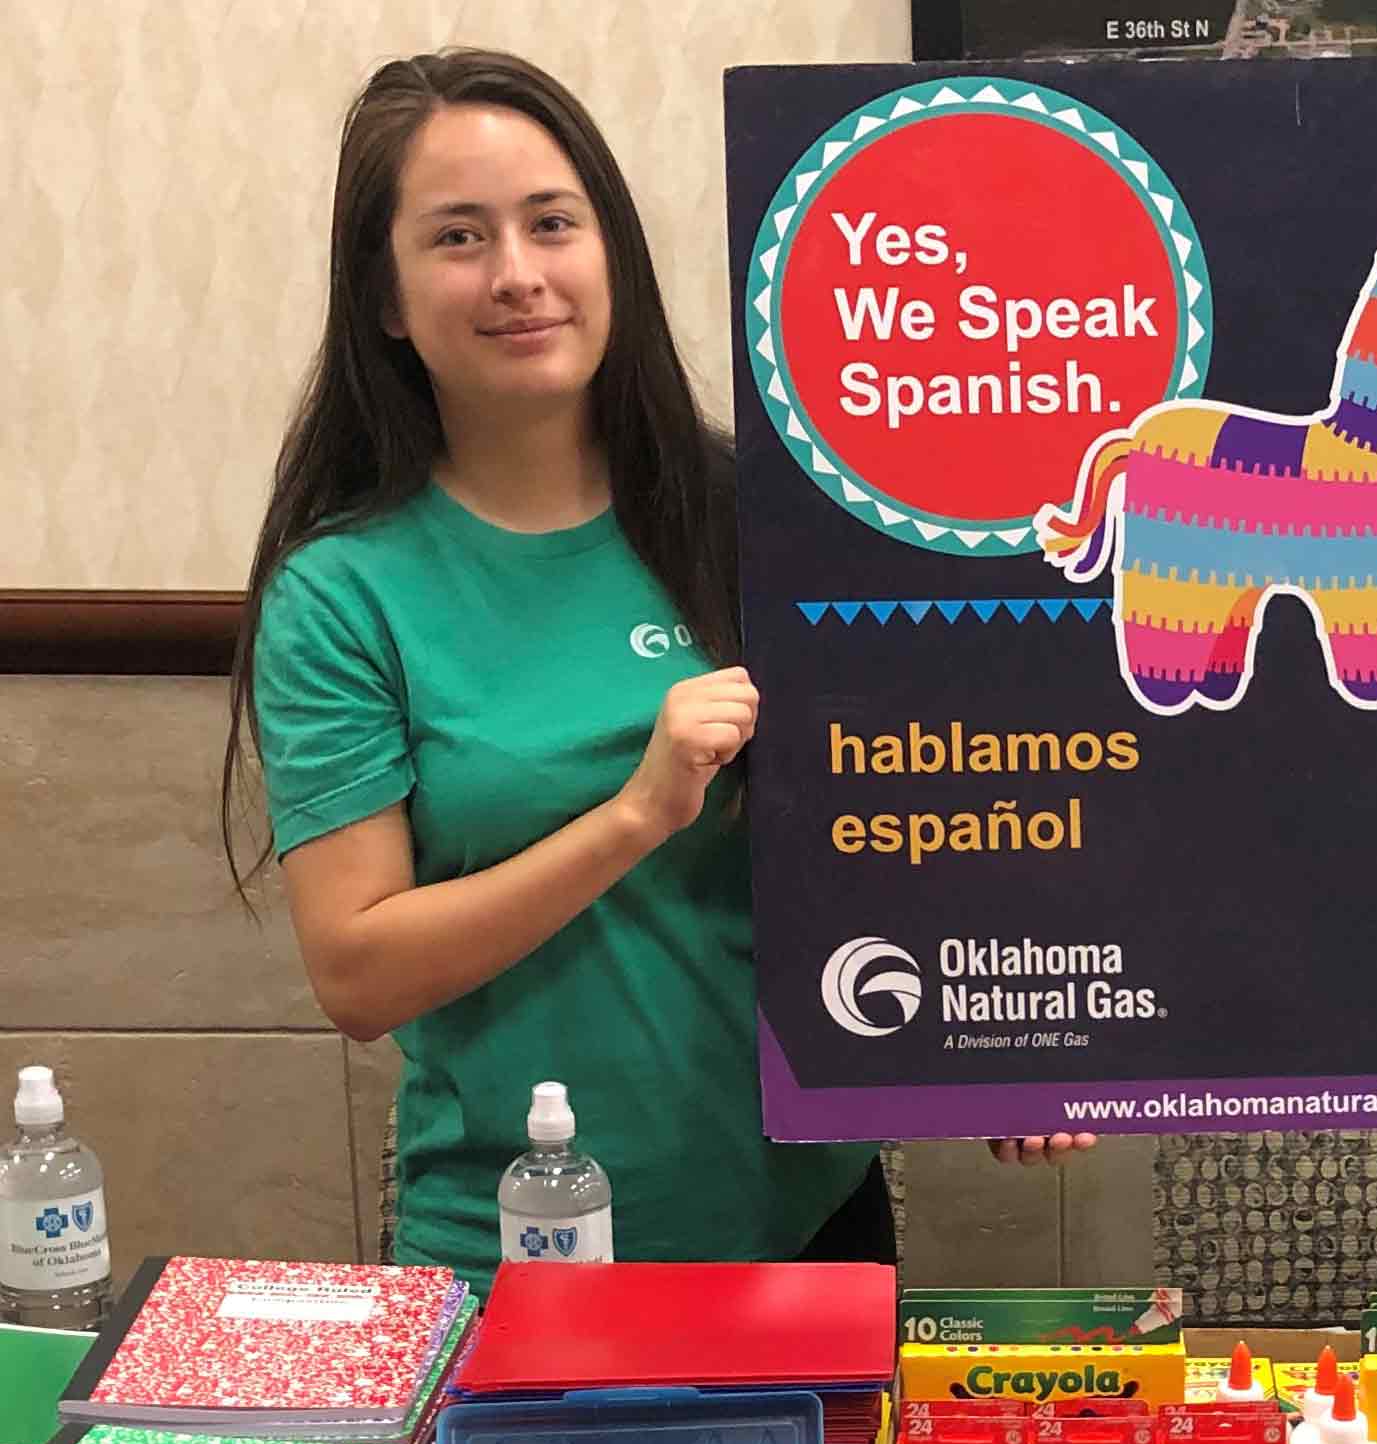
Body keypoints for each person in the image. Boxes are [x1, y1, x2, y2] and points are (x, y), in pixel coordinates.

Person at [223, 48, 1094, 1289]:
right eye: (459, 237)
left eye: (552, 223)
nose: (518, 274)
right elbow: (357, 972)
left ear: (611, 252)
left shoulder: (767, 516)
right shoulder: (344, 591)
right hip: (510, 1259)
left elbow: (909, 814)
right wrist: (636, 815)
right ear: (386, 297)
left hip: (803, 1240)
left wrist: (1005, 1045)